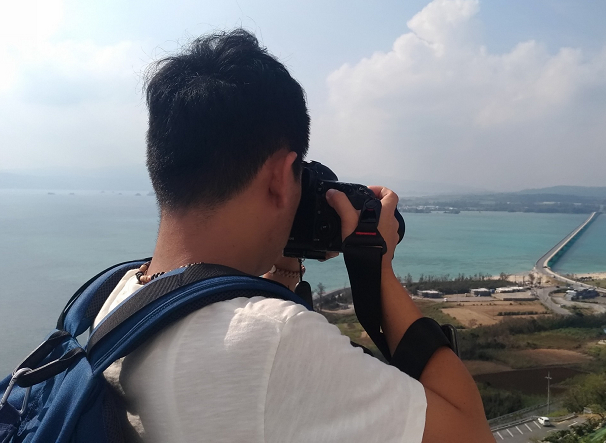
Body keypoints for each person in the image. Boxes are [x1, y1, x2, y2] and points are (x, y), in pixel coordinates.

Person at [92, 29, 494, 442]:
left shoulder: (108, 301)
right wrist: (377, 268)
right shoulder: (272, 340)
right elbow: (471, 434)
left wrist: (283, 267)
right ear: (281, 177)